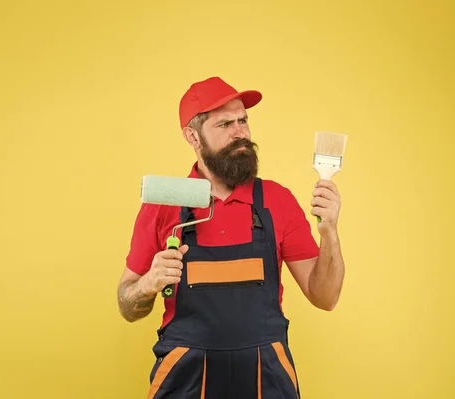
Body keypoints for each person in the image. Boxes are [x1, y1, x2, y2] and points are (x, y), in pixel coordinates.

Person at [117, 76, 345, 399]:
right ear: (192, 137)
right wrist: (148, 283)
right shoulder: (164, 205)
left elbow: (326, 297)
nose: (240, 132)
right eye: (225, 124)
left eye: (243, 121)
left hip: (267, 380)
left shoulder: (276, 201)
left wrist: (330, 233)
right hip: (185, 379)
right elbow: (127, 304)